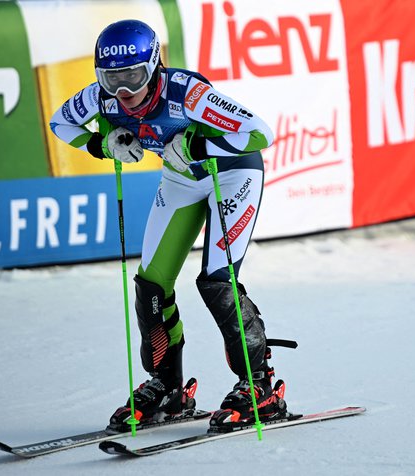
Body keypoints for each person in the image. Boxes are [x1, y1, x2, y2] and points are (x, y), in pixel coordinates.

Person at [50, 19, 290, 432]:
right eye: (112, 80)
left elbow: (259, 133)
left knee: (217, 281)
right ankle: (167, 387)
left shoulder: (188, 94)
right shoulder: (103, 99)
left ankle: (259, 388)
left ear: (155, 66)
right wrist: (100, 143)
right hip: (181, 181)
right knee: (151, 286)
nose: (124, 92)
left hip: (230, 175)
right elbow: (61, 123)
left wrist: (199, 143)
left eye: (134, 77)